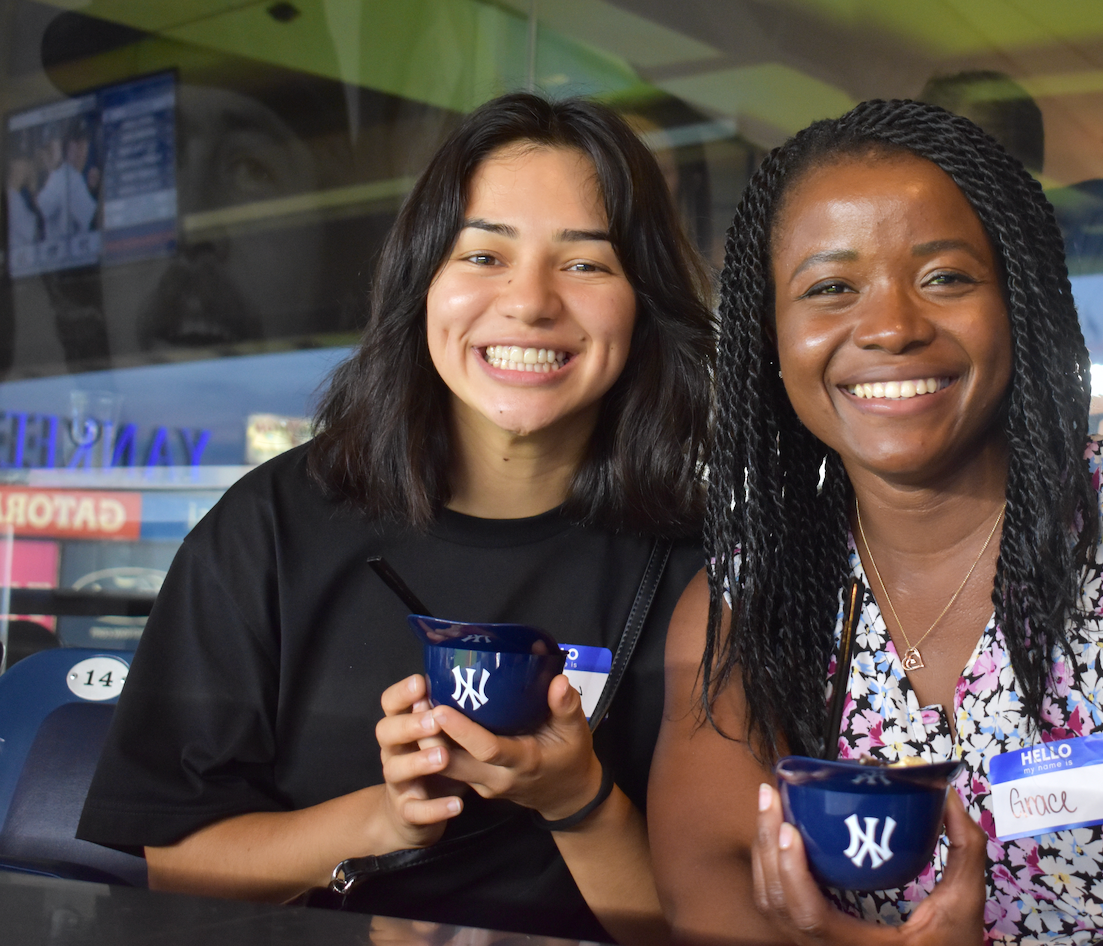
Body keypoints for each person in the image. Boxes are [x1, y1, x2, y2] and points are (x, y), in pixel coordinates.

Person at [650, 99, 1103, 944]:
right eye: (831, 288)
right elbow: (709, 889)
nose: (891, 327)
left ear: (1018, 301)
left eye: (945, 277)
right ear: (771, 335)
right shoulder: (751, 589)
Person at [77, 94, 716, 943]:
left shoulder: (702, 572)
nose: (530, 302)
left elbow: (712, 927)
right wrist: (387, 817)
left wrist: (577, 798)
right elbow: (178, 867)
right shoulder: (270, 532)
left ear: (644, 303)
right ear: (422, 284)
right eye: (483, 254)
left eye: (585, 263)